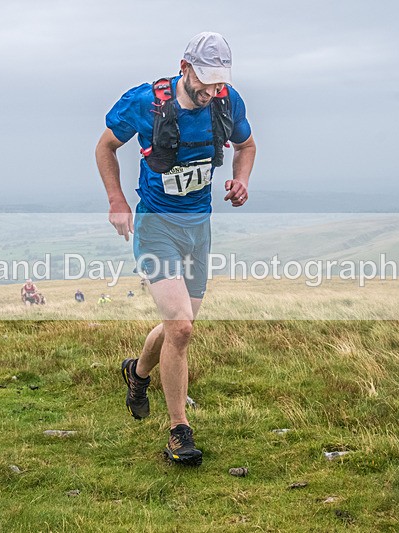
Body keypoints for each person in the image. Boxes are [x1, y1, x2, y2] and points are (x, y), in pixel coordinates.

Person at [95, 32, 256, 466]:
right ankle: (178, 430)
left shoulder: (227, 101)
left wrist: (242, 179)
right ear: (184, 66)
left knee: (176, 328)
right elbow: (106, 146)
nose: (210, 91)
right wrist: (116, 200)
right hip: (156, 226)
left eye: (218, 83)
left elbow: (246, 146)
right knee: (181, 328)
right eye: (204, 81)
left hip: (198, 228)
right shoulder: (144, 103)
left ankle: (138, 372)